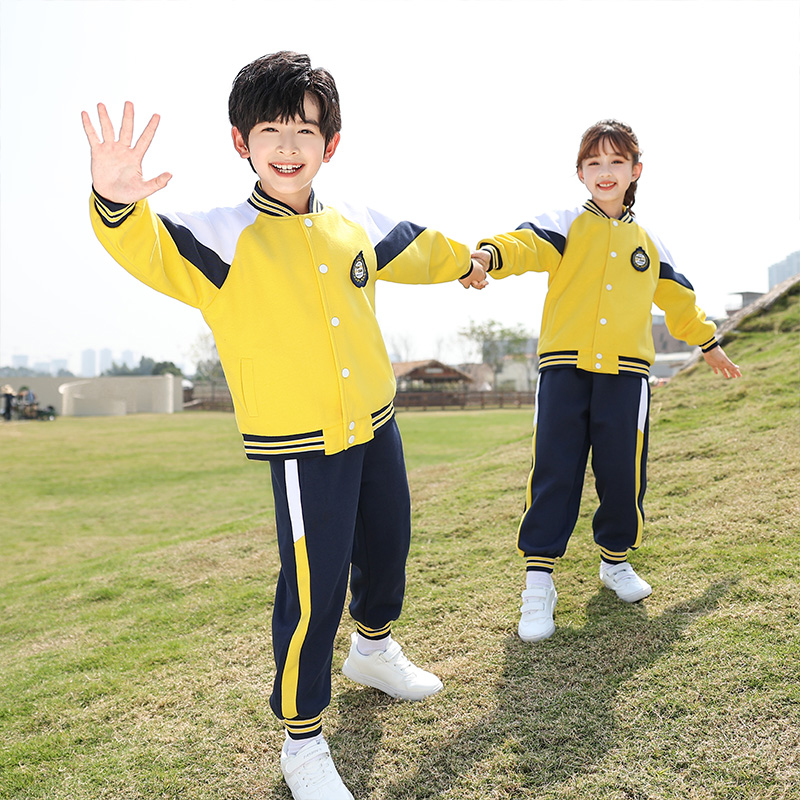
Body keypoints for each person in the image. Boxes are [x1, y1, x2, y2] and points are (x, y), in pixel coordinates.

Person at [82, 51, 486, 800]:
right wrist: (113, 200)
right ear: (242, 143)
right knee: (312, 587)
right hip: (302, 445)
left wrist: (471, 261)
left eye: (304, 129)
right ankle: (302, 739)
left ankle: (374, 650)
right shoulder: (220, 235)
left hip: (375, 424)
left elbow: (418, 244)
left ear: (330, 143)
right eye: (270, 129)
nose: (288, 145)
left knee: (388, 548)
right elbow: (143, 244)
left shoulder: (352, 220)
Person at [471, 119, 741, 644]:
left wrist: (707, 343)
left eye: (616, 161)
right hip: (565, 370)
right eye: (593, 162)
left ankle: (615, 562)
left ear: (635, 171)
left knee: (622, 471)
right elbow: (521, 244)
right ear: (580, 173)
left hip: (627, 376)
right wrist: (486, 256)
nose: (605, 171)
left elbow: (680, 300)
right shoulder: (565, 223)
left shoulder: (649, 241)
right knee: (554, 470)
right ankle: (539, 582)